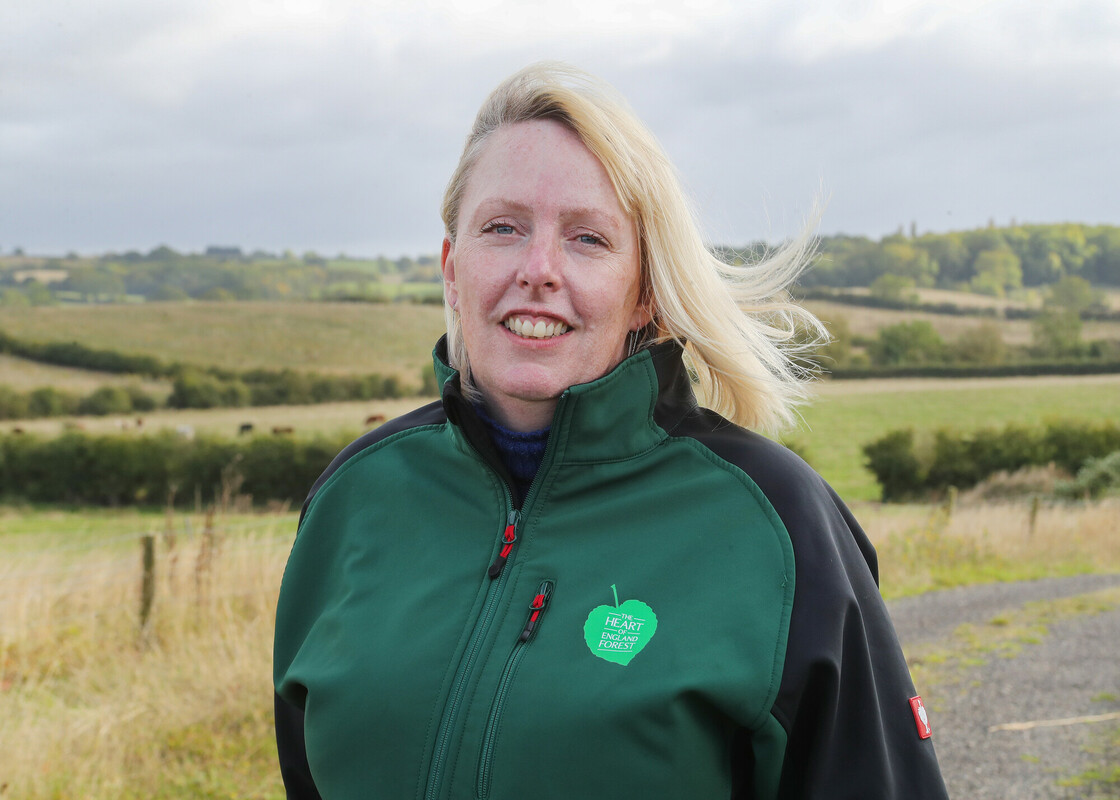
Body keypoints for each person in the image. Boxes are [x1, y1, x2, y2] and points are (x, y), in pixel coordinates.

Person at [274, 62, 949, 799]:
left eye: (588, 239)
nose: (539, 269)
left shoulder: (777, 525)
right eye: (503, 228)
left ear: (643, 295)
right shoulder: (354, 499)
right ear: (451, 269)